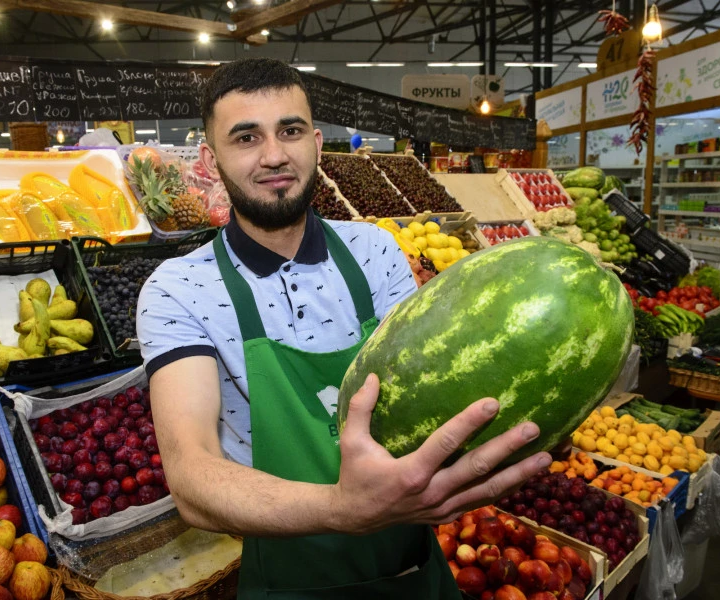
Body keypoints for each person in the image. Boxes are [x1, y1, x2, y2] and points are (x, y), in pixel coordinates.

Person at [137, 57, 552, 598]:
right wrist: (342, 509)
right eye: (246, 138)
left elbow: (428, 391)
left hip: (413, 568)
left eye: (289, 131)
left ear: (315, 141)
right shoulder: (177, 289)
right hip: (285, 576)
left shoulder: (374, 250)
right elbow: (192, 479)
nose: (274, 155)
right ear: (210, 160)